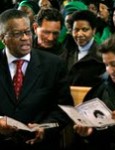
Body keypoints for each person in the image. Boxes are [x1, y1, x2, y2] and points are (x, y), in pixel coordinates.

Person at [0, 9, 73, 150]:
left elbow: (64, 109)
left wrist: (45, 128)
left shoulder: (54, 64)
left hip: (41, 144)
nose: (25, 38)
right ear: (3, 37)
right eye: (17, 34)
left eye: (27, 32)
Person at [61, 10, 106, 87]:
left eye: (85, 30)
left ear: (94, 31)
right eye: (76, 30)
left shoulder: (102, 56)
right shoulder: (66, 53)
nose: (80, 34)